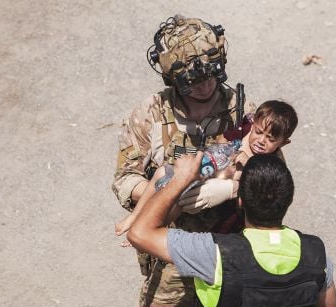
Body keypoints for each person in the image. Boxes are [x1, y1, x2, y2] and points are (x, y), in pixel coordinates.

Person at [112, 15, 256, 307]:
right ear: (173, 78)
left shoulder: (242, 110)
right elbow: (124, 177)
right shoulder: (148, 115)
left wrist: (230, 188)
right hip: (169, 243)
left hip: (227, 241)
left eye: (212, 75)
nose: (206, 87)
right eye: (194, 80)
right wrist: (163, 191)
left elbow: (271, 179)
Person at [127, 153, 336, 307]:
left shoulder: (215, 253)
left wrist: (179, 180)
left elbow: (140, 233)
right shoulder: (314, 253)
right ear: (289, 200)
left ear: (240, 201)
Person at [115, 100, 298, 239]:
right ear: (254, 123)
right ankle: (135, 218)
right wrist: (223, 153)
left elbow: (254, 189)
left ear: (284, 142)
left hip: (222, 219)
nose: (261, 141)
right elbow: (222, 142)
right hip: (207, 171)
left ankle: (149, 231)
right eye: (258, 132)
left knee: (180, 199)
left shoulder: (270, 164)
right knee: (161, 173)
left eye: (271, 139)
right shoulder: (246, 127)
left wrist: (232, 182)